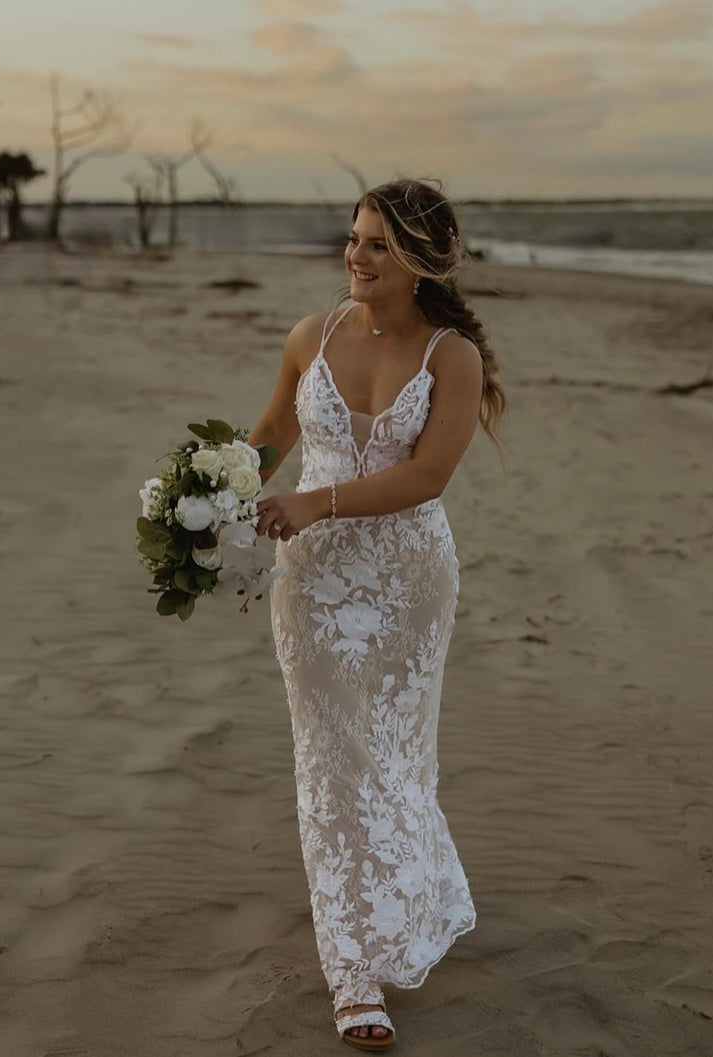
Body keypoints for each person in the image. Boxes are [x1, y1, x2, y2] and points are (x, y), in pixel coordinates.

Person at [248, 178, 506, 1051]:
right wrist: (204, 488)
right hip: (313, 585)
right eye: (355, 239)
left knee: (394, 750)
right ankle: (353, 970)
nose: (357, 257)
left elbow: (427, 476)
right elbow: (274, 432)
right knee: (331, 756)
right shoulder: (309, 336)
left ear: (422, 262)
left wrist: (313, 501)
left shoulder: (452, 358)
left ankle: (409, 891)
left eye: (378, 246)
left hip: (407, 583)